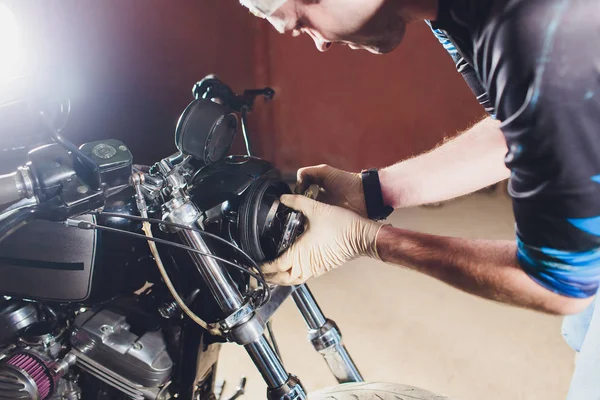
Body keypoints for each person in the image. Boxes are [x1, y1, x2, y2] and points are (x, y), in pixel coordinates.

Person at [239, 0, 600, 397]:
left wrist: (367, 239)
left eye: (304, 22)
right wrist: (374, 191)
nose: (320, 43)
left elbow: (558, 285)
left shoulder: (533, 27)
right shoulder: (452, 14)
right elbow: (520, 126)